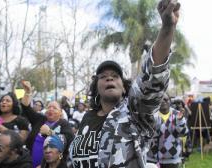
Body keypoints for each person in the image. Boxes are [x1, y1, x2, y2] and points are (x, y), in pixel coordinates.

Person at [69, 0, 179, 167]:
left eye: (115, 76)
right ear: (96, 88)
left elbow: (151, 80)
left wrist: (167, 28)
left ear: (124, 87)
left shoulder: (134, 114)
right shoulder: (88, 117)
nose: (109, 78)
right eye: (103, 76)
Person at [20, 81, 74, 168]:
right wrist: (27, 92)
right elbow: (26, 107)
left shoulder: (64, 124)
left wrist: (49, 132)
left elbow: (68, 142)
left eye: (54, 108)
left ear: (60, 113)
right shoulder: (40, 119)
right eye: (49, 107)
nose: (51, 109)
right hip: (29, 163)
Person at [147, 94, 188, 168]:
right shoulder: (151, 115)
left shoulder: (177, 114)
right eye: (160, 99)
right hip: (152, 160)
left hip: (172, 160)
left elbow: (183, 133)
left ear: (170, 101)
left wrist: (180, 120)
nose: (163, 101)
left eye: (166, 99)